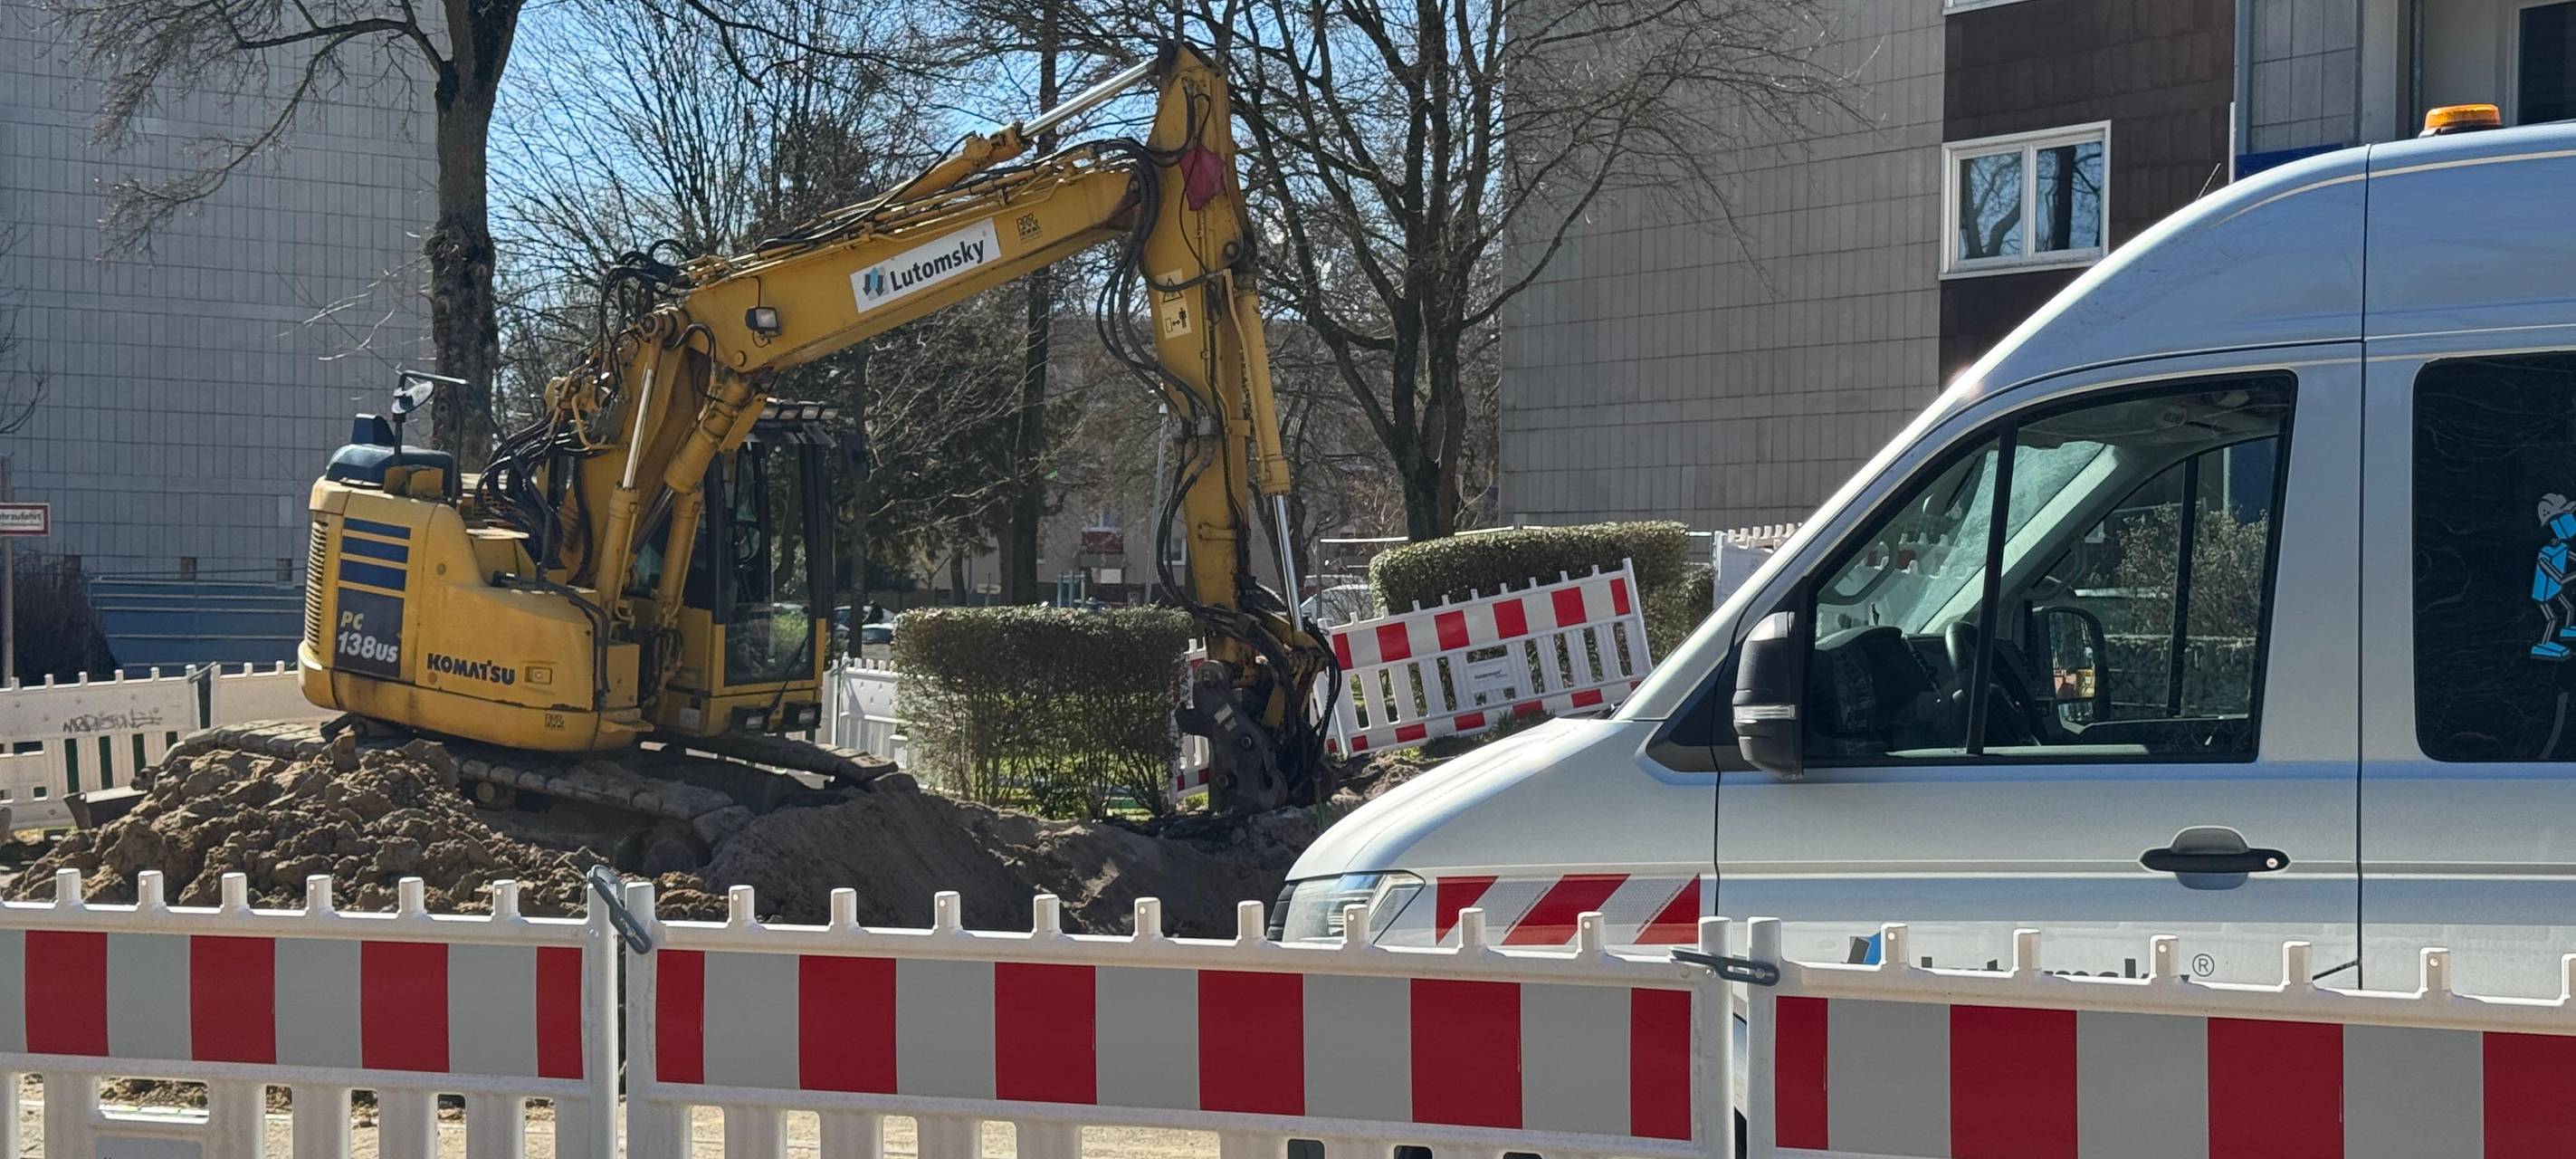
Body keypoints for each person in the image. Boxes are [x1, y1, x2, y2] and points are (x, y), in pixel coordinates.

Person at [2534, 493, 2576, 661]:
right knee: (2552, 618)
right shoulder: (2544, 555)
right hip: (2543, 596)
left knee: (2570, 609)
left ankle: (2567, 629)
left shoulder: (2561, 545)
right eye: (2566, 517)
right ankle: (2543, 645)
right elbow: (2559, 578)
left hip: (2556, 591)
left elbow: (2570, 556)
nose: (2572, 521)